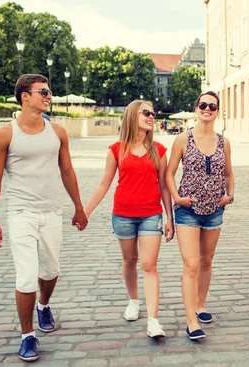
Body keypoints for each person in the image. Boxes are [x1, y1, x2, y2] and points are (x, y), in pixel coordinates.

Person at [0, 74, 88, 362]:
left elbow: (67, 172)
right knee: (27, 276)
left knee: (51, 270)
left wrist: (79, 207)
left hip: (52, 211)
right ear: (24, 96)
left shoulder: (57, 132)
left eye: (49, 91)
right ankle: (27, 336)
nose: (48, 95)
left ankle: (44, 305)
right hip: (20, 212)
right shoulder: (5, 135)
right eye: (42, 91)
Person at [83, 100, 174, 338]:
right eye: (146, 112)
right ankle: (134, 300)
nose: (151, 116)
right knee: (129, 260)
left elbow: (164, 186)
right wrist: (86, 211)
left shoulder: (160, 150)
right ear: (133, 115)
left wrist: (169, 218)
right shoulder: (116, 149)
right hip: (122, 214)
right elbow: (105, 183)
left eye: (153, 113)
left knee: (149, 265)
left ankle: (153, 320)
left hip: (151, 214)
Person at [165, 91, 234, 340]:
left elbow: (229, 173)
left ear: (217, 111)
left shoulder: (224, 142)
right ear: (196, 108)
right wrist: (177, 198)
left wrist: (230, 195)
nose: (207, 109)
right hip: (188, 211)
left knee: (206, 261)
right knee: (192, 264)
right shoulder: (184, 139)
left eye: (212, 106)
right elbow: (169, 173)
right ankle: (191, 321)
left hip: (215, 211)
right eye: (203, 105)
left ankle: (200, 305)